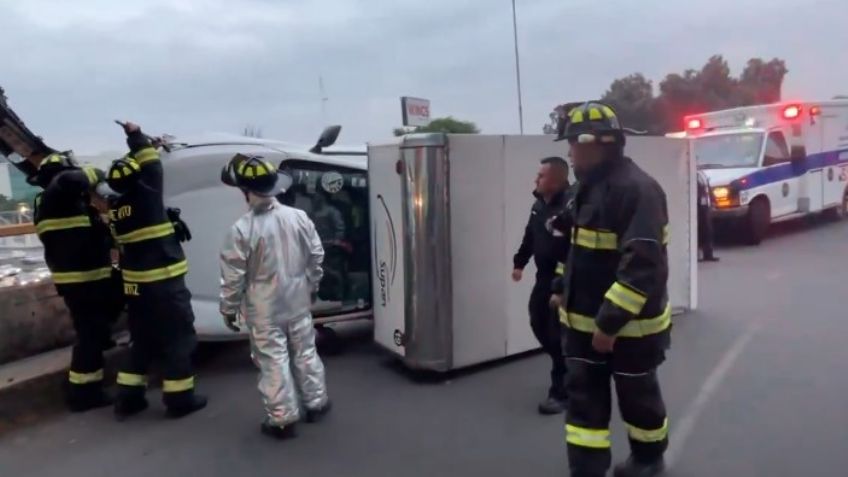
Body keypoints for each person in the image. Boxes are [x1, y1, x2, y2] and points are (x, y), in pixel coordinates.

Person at [555, 101, 671, 477]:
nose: (570, 152)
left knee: (638, 400)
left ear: (596, 144)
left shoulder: (638, 191)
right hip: (581, 327)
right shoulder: (584, 189)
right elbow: (576, 249)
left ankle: (648, 461)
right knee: (584, 406)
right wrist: (560, 286)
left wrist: (608, 324)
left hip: (628, 333)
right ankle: (586, 470)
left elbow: (642, 267)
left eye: (573, 144)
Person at [219, 154, 331, 439]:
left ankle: (282, 419)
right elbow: (316, 256)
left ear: (245, 191)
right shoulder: (298, 217)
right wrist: (313, 285)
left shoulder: (241, 230)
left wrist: (229, 309)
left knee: (273, 360)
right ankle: (316, 403)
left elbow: (233, 276)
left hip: (264, 308)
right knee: (306, 351)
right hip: (297, 300)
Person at [107, 121, 207, 420]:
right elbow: (152, 166)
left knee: (143, 342)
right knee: (179, 341)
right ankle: (180, 401)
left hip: (136, 291)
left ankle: (129, 398)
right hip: (165, 286)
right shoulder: (146, 197)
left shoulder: (116, 208)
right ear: (138, 179)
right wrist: (136, 136)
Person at [31, 152, 123, 412]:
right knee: (90, 335)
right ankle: (84, 393)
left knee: (107, 314)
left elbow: (95, 234)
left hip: (92, 277)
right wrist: (98, 173)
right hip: (82, 281)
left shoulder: (66, 203)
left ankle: (102, 341)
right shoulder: (57, 194)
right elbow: (73, 179)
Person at [512, 156, 571, 415]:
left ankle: (561, 391)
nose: (536, 180)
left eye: (541, 176)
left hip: (567, 280)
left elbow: (570, 251)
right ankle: (570, 366)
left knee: (558, 335)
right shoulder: (539, 205)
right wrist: (519, 263)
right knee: (538, 322)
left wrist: (560, 289)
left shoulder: (570, 207)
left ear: (557, 181)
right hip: (544, 279)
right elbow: (530, 235)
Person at [697, 170, 719, 261]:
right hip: (698, 206)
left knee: (708, 230)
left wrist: (713, 200)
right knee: (699, 230)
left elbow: (708, 188)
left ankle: (708, 254)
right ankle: (697, 255)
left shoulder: (701, 174)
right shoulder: (693, 174)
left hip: (706, 205)